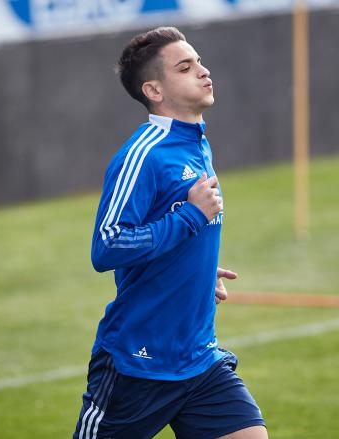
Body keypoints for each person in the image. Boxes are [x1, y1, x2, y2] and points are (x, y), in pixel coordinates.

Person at [72, 27, 267, 439]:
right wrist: (190, 218)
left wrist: (195, 273)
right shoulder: (143, 155)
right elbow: (107, 246)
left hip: (198, 357)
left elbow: (171, 233)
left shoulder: (195, 143)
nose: (203, 70)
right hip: (137, 362)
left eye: (198, 61)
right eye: (185, 66)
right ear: (154, 90)